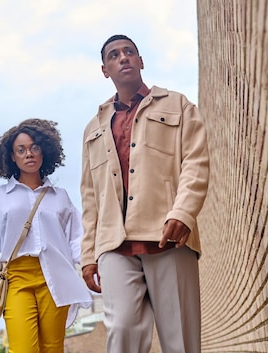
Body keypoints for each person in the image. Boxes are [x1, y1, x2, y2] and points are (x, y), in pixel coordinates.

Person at [80, 34, 210, 353]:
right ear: (105, 69)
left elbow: (196, 160)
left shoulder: (177, 104)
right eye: (114, 55)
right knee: (121, 332)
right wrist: (87, 255)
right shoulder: (93, 128)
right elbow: (89, 197)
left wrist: (183, 212)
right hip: (113, 244)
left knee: (180, 340)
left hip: (168, 236)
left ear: (140, 62)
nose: (123, 57)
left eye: (129, 52)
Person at [0, 118, 92, 353]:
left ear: (44, 151)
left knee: (52, 348)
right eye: (20, 150)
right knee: (23, 349)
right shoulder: (0, 196)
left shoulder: (60, 196)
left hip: (55, 278)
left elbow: (77, 240)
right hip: (16, 279)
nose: (29, 154)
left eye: (34, 147)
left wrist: (92, 266)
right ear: (12, 157)